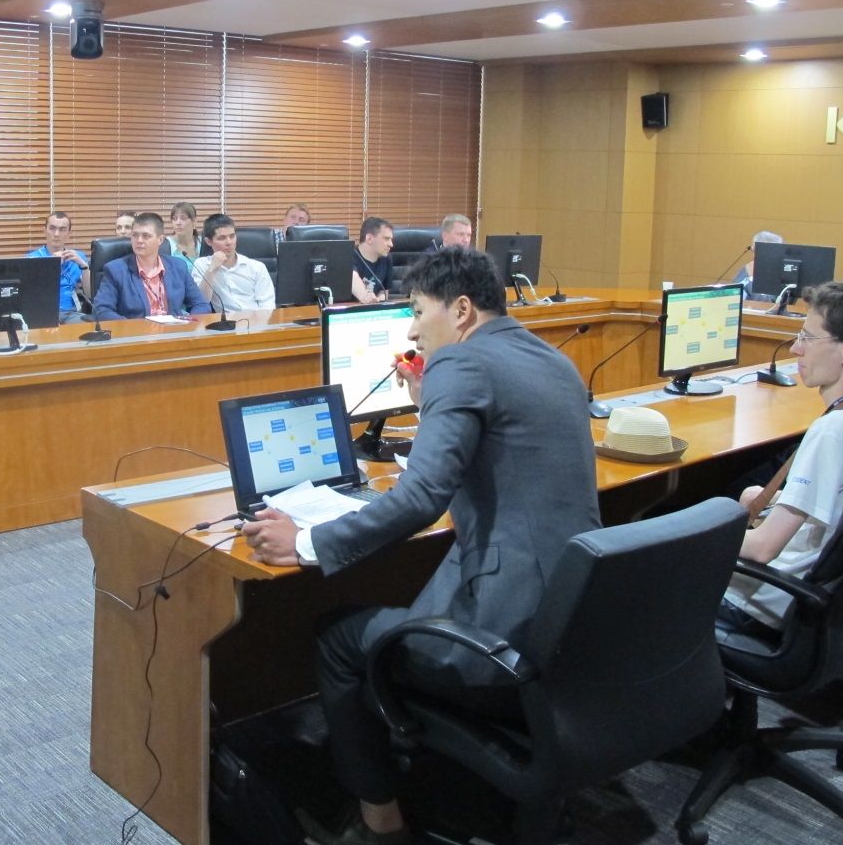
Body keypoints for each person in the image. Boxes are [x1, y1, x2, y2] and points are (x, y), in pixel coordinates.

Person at [242, 247, 600, 845]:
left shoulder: (461, 363)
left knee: (337, 638)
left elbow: (421, 498)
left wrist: (307, 541)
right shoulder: (551, 358)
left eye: (416, 311)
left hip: (507, 633)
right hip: (574, 618)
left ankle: (378, 824)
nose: (411, 330)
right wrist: (427, 406)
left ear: (460, 311)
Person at [720, 276, 843, 637]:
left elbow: (763, 549)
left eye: (807, 337)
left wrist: (696, 540)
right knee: (749, 494)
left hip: (761, 605)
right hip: (821, 595)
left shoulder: (832, 432)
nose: (795, 349)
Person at [92, 212, 212, 320]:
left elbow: (201, 304)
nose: (139, 240)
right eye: (135, 235)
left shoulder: (178, 266)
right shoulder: (116, 270)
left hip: (173, 332)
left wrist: (189, 324)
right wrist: (132, 328)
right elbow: (102, 310)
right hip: (137, 334)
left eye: (146, 236)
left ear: (160, 240)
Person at [191, 213, 274, 311]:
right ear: (208, 241)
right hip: (226, 320)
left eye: (232, 236)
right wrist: (212, 270)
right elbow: (202, 301)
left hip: (257, 318)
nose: (229, 242)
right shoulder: (202, 265)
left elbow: (267, 305)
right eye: (222, 238)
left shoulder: (257, 267)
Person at [26, 210, 89, 324]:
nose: (56, 234)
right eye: (52, 228)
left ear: (69, 233)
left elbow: (89, 293)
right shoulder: (32, 258)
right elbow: (31, 295)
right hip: (43, 313)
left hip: (72, 313)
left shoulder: (78, 257)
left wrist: (84, 266)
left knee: (89, 328)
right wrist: (52, 266)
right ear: (45, 230)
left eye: (62, 229)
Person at [351, 217, 395, 304]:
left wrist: (380, 299)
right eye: (386, 239)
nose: (391, 244)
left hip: (375, 308)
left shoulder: (387, 258)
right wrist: (367, 297)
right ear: (369, 239)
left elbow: (384, 292)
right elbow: (353, 278)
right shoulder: (349, 255)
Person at [732, 230, 783, 302]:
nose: (754, 256)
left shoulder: (777, 276)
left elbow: (765, 303)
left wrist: (751, 278)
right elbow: (733, 291)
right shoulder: (749, 267)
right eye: (753, 251)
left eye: (758, 252)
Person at [165, 202, 199, 268]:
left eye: (183, 218)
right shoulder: (166, 245)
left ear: (194, 222)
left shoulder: (203, 243)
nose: (178, 223)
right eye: (174, 219)